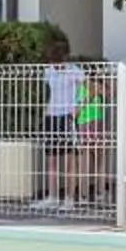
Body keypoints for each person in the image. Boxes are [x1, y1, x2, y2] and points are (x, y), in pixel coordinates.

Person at [41, 36, 84, 206]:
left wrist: (79, 106)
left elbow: (87, 89)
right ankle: (52, 197)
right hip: (52, 115)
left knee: (69, 159)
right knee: (52, 158)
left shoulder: (75, 71)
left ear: (65, 58)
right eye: (53, 62)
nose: (55, 65)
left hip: (68, 116)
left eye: (58, 62)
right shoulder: (48, 70)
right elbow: (46, 92)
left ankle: (69, 198)